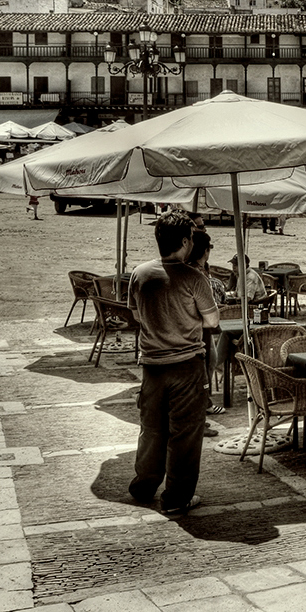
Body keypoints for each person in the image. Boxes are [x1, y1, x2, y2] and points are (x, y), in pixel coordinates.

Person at [127, 210, 219, 515]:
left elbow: (136, 315)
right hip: (187, 365)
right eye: (192, 237)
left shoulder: (140, 274)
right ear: (184, 241)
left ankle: (144, 484)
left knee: (152, 428)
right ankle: (177, 497)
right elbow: (212, 320)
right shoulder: (194, 277)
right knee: (185, 434)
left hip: (152, 365)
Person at [188, 231, 226, 423]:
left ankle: (205, 401)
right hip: (200, 327)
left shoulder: (198, 270)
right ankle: (203, 405)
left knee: (211, 362)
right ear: (205, 251)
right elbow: (210, 316)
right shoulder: (197, 273)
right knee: (205, 366)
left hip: (201, 327)